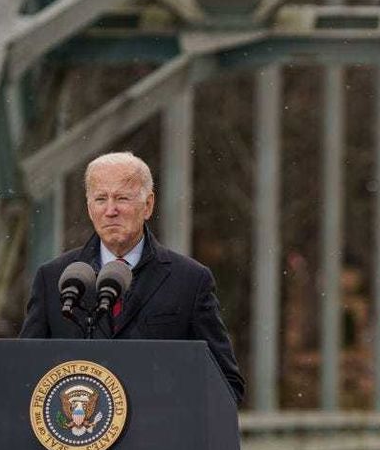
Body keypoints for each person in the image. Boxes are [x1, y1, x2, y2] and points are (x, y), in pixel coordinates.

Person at [19, 151, 245, 403]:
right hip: (79, 434)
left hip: (159, 435)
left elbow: (226, 383)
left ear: (148, 205)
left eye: (122, 198)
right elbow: (25, 374)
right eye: (100, 199)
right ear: (89, 207)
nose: (110, 210)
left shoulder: (190, 281)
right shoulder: (53, 279)